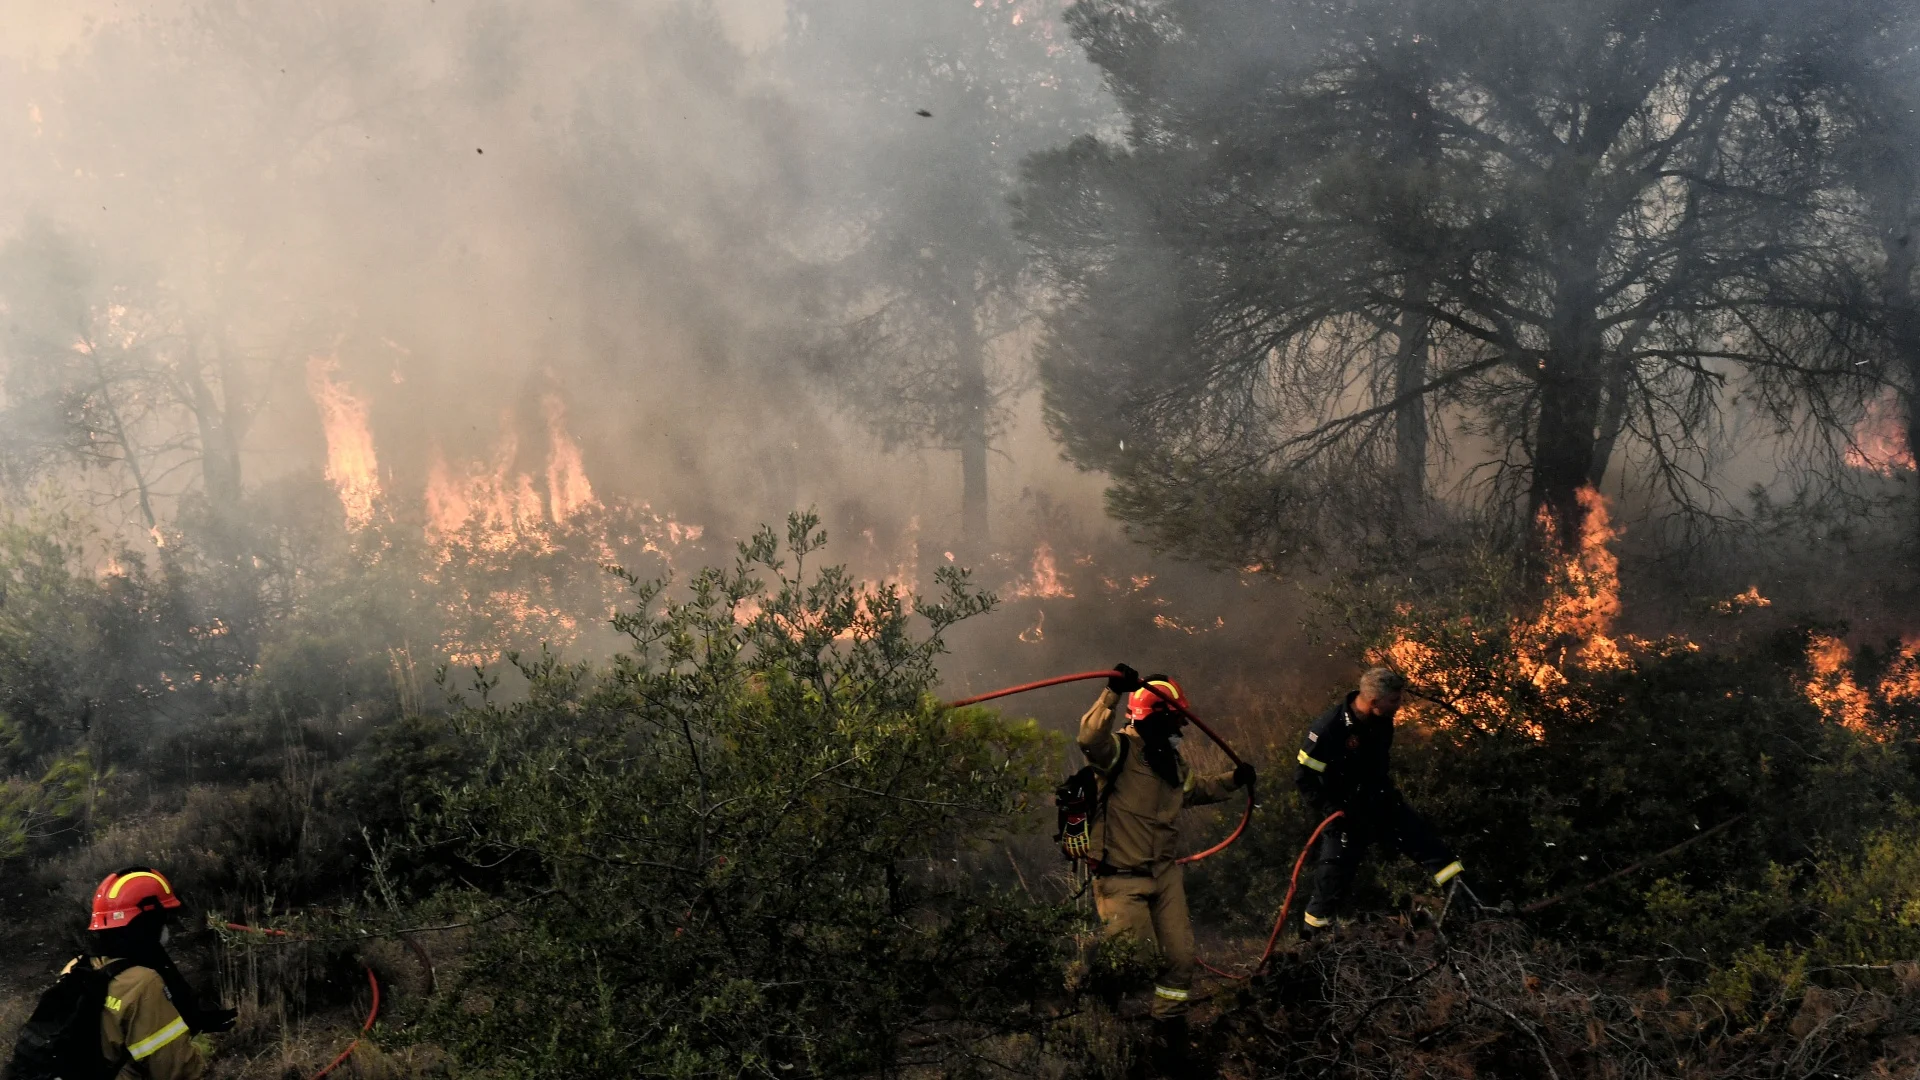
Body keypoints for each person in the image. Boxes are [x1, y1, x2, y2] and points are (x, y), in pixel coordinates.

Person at [1080, 663, 1255, 1075]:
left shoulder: (1170, 763)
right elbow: (1088, 738)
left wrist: (1234, 779)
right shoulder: (1118, 752)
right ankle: (1095, 989)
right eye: (1176, 718)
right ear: (1154, 717)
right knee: (1135, 961)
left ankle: (1168, 1034)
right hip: (1121, 878)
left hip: (1164, 875)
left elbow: (1194, 791)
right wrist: (1111, 693)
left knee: (1180, 958)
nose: (1182, 727)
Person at [1294, 667, 1464, 936]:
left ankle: (1470, 910)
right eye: (1394, 700)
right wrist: (1332, 809)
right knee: (1331, 879)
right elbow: (1304, 778)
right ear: (1374, 701)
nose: (1399, 705)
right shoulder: (1329, 729)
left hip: (1383, 803)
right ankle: (1312, 940)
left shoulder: (1382, 719)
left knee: (1433, 850)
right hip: (1347, 816)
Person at [76, 867, 234, 1079]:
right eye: (162, 919)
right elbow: (177, 1070)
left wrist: (192, 1018)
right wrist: (199, 1046)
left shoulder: (78, 967)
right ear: (147, 923)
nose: (167, 927)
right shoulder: (143, 984)